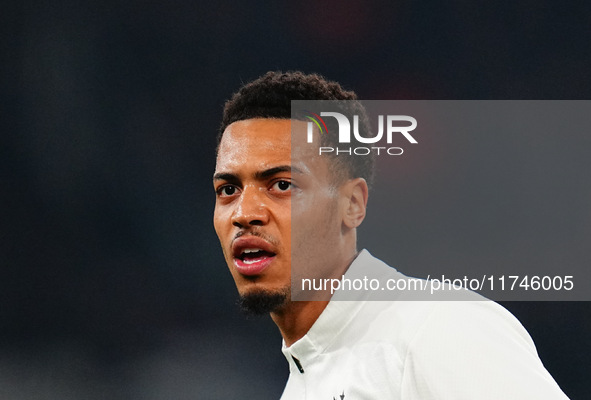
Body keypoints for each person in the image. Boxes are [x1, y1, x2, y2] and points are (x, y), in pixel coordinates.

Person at [212, 71, 569, 399]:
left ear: (352, 204)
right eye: (228, 189)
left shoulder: (438, 328)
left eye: (282, 185)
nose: (245, 213)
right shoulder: (305, 382)